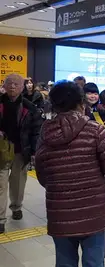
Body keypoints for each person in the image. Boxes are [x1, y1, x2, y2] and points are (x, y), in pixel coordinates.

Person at [34, 80, 105, 266]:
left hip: (60, 214)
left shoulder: (45, 133)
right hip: (93, 214)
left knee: (65, 262)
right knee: (94, 262)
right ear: (81, 104)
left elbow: (42, 176)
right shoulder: (95, 130)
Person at [0, 74, 42, 234]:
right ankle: (1, 219)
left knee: (18, 183)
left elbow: (36, 132)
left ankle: (16, 207)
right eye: (9, 83)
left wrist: (33, 151)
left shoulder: (29, 108)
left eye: (16, 84)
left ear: (22, 87)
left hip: (20, 151)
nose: (12, 86)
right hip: (1, 151)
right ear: (4, 85)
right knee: (1, 184)